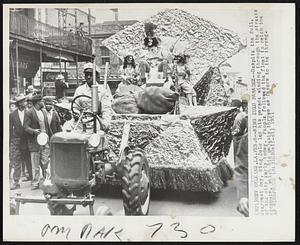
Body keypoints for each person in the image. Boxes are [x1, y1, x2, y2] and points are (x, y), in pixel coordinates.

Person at [72, 62, 112, 131]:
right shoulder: (79, 90)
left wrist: (105, 122)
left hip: (96, 120)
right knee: (67, 127)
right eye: (86, 75)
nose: (88, 77)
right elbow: (75, 106)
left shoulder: (102, 91)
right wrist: (76, 114)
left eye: (91, 75)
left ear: (96, 76)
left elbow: (106, 109)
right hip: (81, 120)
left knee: (96, 134)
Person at [24, 94, 52, 190]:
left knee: (46, 163)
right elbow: (26, 127)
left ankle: (46, 181)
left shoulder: (43, 112)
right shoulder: (29, 113)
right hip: (35, 143)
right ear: (37, 103)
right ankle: (35, 183)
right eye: (42, 101)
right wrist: (34, 131)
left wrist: (51, 138)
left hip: (45, 142)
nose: (43, 103)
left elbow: (47, 127)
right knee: (35, 164)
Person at [9, 94, 32, 189]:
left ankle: (33, 180)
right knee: (16, 162)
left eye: (25, 101)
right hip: (16, 140)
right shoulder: (12, 115)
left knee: (29, 161)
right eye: (23, 102)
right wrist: (10, 141)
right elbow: (10, 129)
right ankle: (16, 181)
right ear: (19, 104)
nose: (25, 103)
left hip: (27, 140)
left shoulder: (29, 113)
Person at [232, 98, 248, 217]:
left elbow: (237, 130)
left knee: (238, 159)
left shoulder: (239, 116)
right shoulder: (243, 115)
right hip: (241, 138)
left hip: (238, 138)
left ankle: (239, 183)